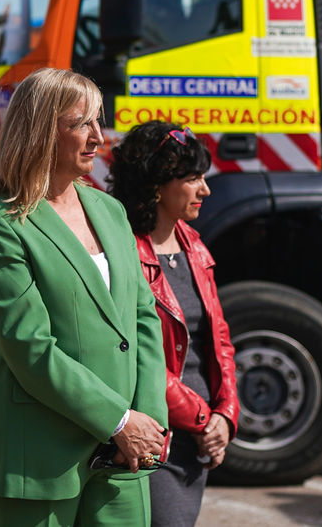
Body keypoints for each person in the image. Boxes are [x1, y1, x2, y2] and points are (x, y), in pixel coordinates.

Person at [0, 67, 168, 526]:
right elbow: (30, 349)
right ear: (39, 132)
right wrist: (119, 421)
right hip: (39, 461)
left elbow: (144, 319)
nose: (98, 136)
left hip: (125, 458)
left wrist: (148, 424)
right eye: (81, 124)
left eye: (98, 121)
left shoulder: (110, 210)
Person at [108, 121, 239, 527]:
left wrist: (225, 415)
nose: (206, 190)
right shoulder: (123, 250)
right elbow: (135, 353)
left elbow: (219, 338)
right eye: (193, 178)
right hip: (153, 428)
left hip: (199, 433)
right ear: (156, 184)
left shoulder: (193, 243)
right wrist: (202, 418)